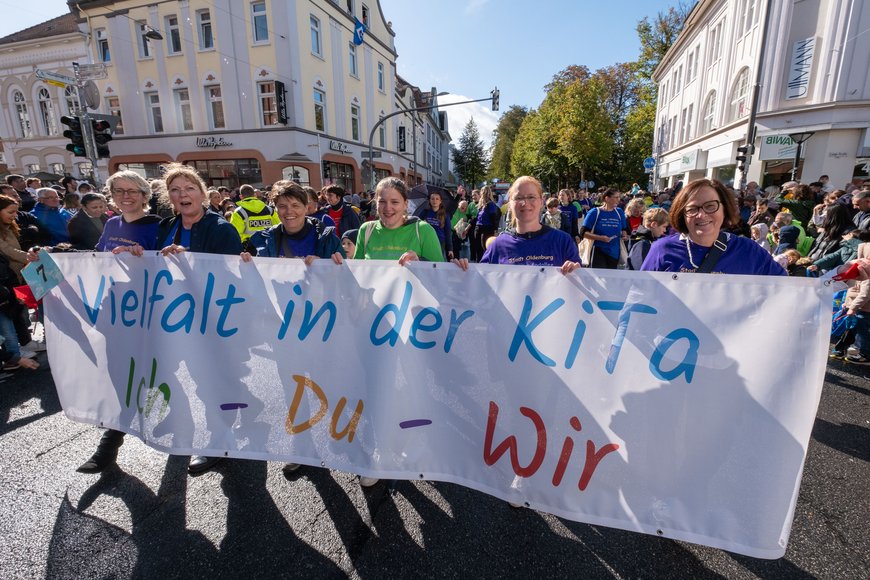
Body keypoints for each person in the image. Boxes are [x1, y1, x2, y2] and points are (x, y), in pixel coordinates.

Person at [641, 178, 786, 275]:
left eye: (710, 206)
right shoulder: (662, 250)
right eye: (692, 209)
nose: (702, 215)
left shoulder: (749, 251)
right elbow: (639, 298)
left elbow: (785, 292)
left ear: (725, 209)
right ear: (682, 215)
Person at [479, 176, 581, 274]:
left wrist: (577, 272)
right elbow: (479, 282)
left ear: (541, 202)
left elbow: (581, 285)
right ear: (510, 203)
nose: (525, 203)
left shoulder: (563, 241)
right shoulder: (498, 245)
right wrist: (463, 271)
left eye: (531, 197)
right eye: (518, 197)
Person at [241, 180, 344, 263]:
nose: (289, 211)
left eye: (295, 205)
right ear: (275, 209)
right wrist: (246, 263)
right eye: (282, 206)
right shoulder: (264, 241)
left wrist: (326, 266)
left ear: (306, 208)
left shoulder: (328, 240)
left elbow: (344, 280)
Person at [354, 177, 444, 264]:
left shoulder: (424, 231)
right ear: (376, 203)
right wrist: (340, 264)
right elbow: (357, 271)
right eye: (382, 202)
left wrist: (420, 261)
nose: (387, 208)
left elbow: (439, 273)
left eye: (394, 202)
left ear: (405, 204)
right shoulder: (366, 230)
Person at [580, 188, 627, 269]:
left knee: (611, 278)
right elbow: (583, 233)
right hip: (598, 251)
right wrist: (600, 238)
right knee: (600, 278)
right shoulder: (594, 212)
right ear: (607, 198)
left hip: (614, 252)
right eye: (616, 197)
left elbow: (624, 229)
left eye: (619, 197)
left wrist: (624, 235)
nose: (618, 200)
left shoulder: (619, 212)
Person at [230, 183, 280, 250]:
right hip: (270, 245)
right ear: (254, 195)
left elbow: (235, 234)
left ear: (241, 197)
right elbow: (279, 226)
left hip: (249, 248)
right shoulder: (269, 210)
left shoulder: (239, 212)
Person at [414, 190, 454, 260]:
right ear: (429, 200)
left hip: (440, 242)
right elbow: (417, 223)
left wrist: (450, 249)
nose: (434, 201)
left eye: (437, 199)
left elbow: (448, 233)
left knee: (437, 261)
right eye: (432, 199)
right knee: (427, 260)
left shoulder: (445, 215)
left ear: (440, 201)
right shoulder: (425, 212)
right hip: (426, 240)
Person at [472, 185, 499, 262]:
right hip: (478, 228)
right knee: (477, 248)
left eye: (482, 192)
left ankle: (485, 265)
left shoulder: (491, 205)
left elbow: (494, 218)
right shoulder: (481, 205)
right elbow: (476, 218)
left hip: (487, 228)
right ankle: (478, 264)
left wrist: (495, 230)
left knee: (484, 248)